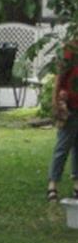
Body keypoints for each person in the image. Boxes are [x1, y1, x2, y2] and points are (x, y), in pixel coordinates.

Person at [46, 37, 78, 202]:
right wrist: (55, 101)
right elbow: (59, 76)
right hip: (69, 106)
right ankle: (52, 185)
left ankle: (77, 185)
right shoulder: (71, 48)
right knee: (63, 146)